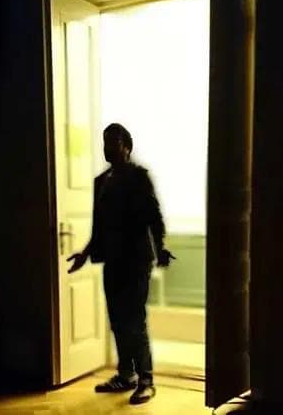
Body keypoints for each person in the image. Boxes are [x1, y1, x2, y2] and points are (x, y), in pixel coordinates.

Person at [67, 123, 175, 405]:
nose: (107, 148)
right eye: (104, 142)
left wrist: (161, 248)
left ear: (127, 146)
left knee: (134, 321)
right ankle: (126, 375)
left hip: (136, 260)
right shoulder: (101, 182)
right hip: (112, 261)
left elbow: (154, 216)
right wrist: (84, 254)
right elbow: (99, 228)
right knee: (117, 320)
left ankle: (146, 380)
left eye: (113, 142)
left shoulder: (139, 177)